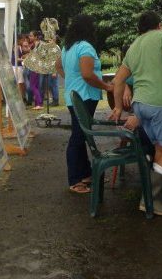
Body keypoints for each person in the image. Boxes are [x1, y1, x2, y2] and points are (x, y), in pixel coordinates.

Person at [110, 11, 162, 216]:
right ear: (159, 25)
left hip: (141, 106)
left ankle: (159, 196)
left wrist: (118, 107)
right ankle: (150, 198)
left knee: (160, 149)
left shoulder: (134, 45)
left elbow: (118, 80)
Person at [56, 15, 113, 194]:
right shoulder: (85, 47)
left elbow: (58, 66)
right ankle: (75, 180)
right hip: (84, 96)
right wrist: (106, 87)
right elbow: (88, 75)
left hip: (74, 95)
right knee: (78, 137)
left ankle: (86, 174)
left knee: (81, 135)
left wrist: (71, 79)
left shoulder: (68, 47)